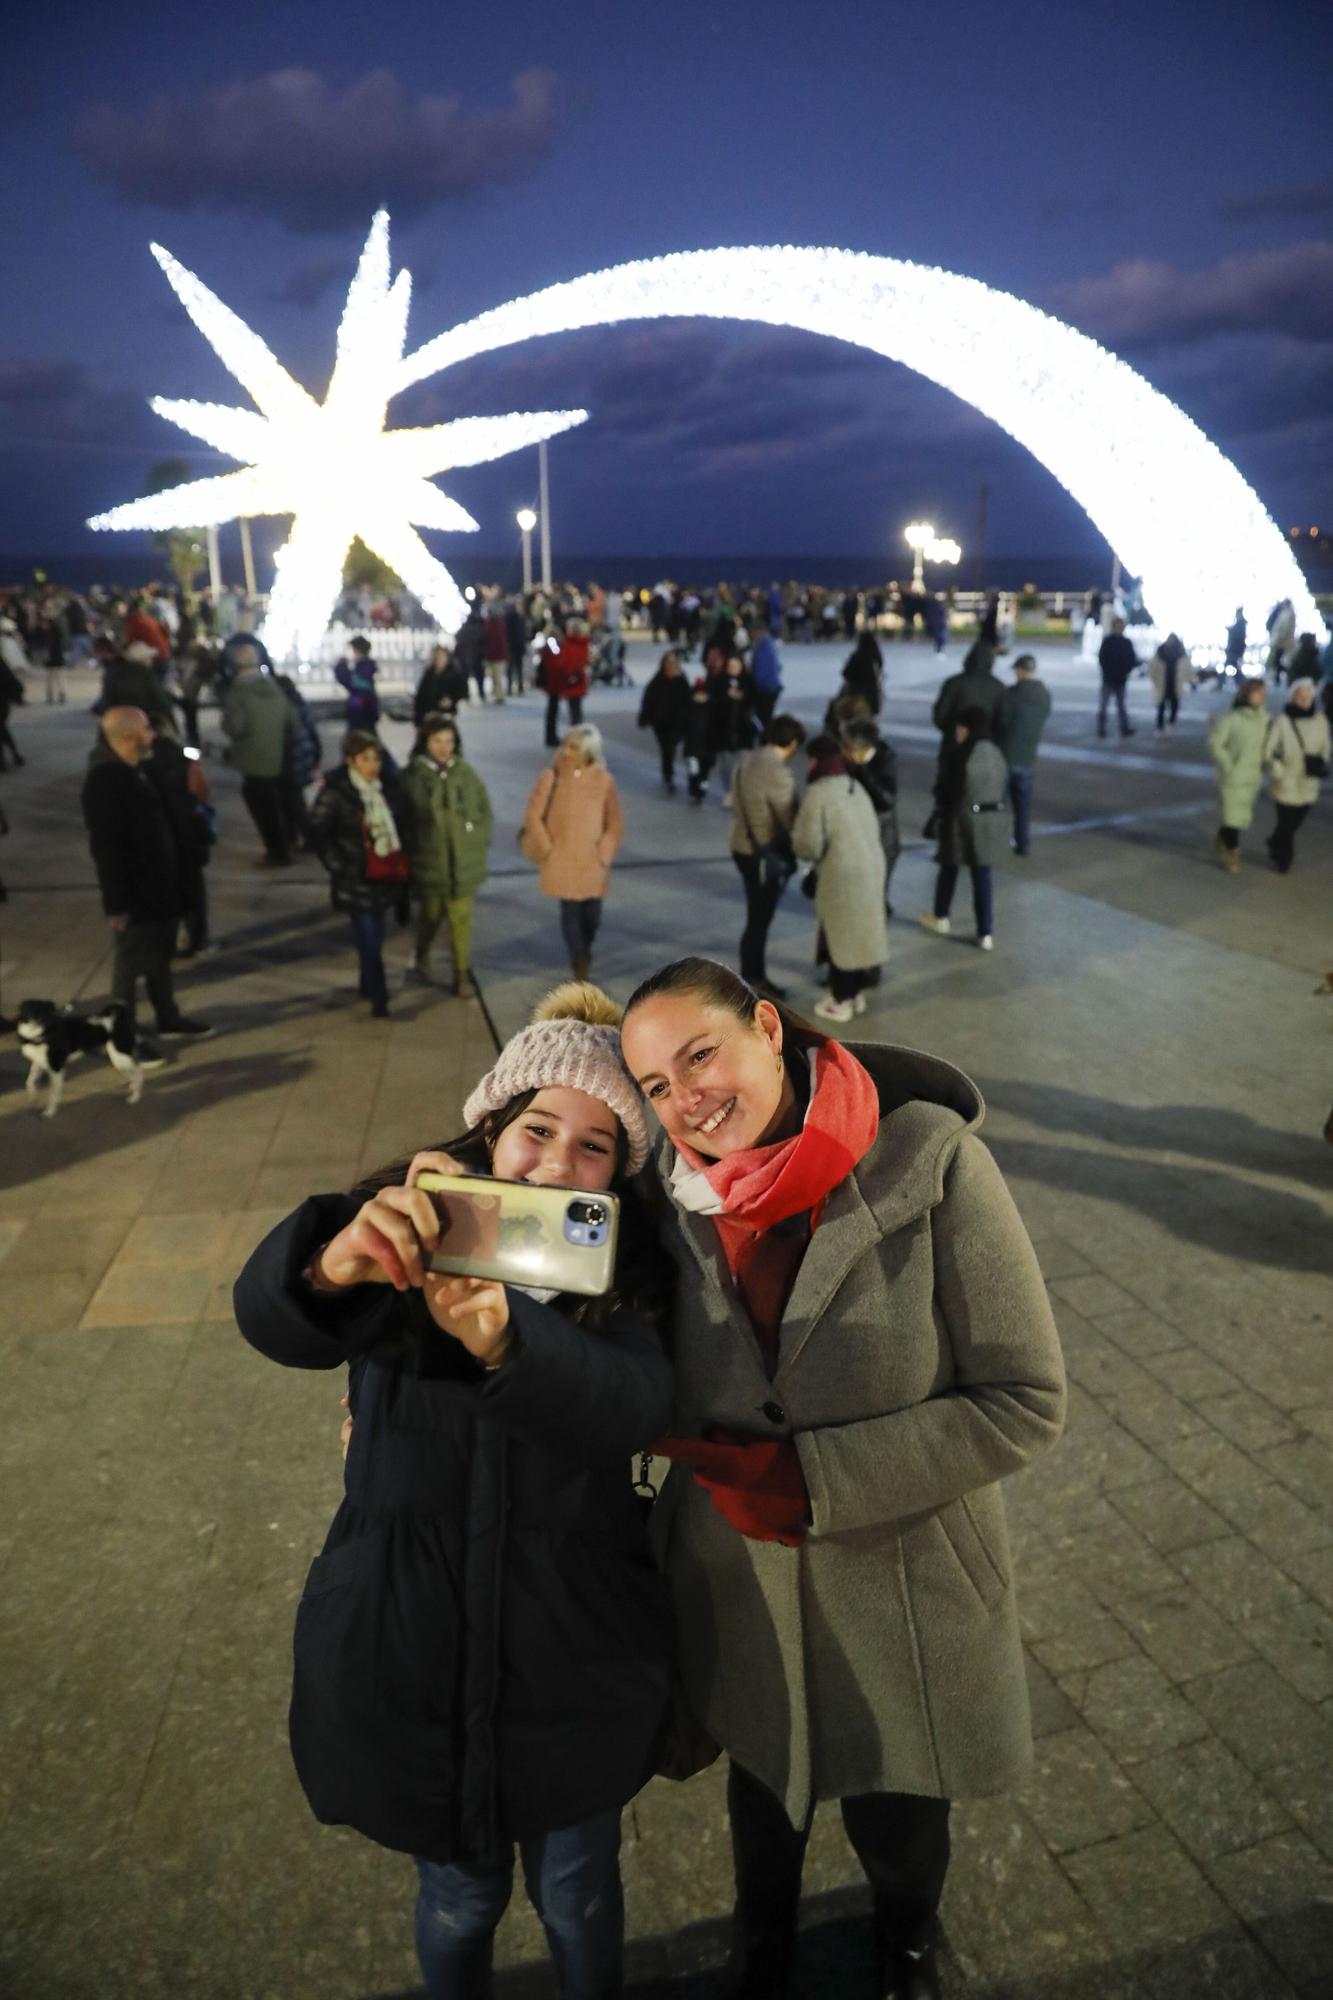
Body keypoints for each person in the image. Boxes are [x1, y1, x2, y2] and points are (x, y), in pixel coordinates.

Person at [618, 958, 1066, 2000]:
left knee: (901, 1812)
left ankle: (905, 1946)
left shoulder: (934, 1162)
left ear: (767, 1028)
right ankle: (759, 1947)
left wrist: (816, 1477)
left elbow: (1024, 1397)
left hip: (905, 1572)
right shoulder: (659, 1200)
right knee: (761, 1788)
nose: (685, 1097)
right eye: (653, 1084)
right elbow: (521, 1206)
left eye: (701, 1053)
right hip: (735, 1575)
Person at [233, 983, 674, 2000]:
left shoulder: (630, 1275)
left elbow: (633, 1404)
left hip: (574, 1653)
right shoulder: (413, 1221)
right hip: (411, 1639)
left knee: (578, 1892)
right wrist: (336, 1261)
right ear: (490, 1131)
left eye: (596, 1145)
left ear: (621, 1176)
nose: (558, 1161)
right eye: (536, 1129)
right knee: (457, 1898)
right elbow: (274, 1323)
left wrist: (510, 1338)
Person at [80, 707, 214, 1045]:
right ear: (128, 737)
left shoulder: (141, 769)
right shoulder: (105, 782)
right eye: (146, 730)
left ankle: (166, 1015)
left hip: (163, 887)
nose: (152, 735)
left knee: (159, 956)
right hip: (136, 894)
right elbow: (106, 850)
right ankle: (122, 1032)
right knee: (130, 963)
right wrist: (117, 904)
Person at [309, 731, 411, 1017]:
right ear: (351, 761)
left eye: (376, 758)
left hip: (384, 875)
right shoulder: (336, 792)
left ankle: (367, 983)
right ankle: (380, 997)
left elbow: (404, 826)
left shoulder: (387, 789)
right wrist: (338, 865)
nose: (373, 765)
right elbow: (317, 832)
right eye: (365, 758)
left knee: (373, 935)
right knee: (370, 937)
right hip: (355, 878)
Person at [793, 734, 888, 1021]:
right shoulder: (854, 785)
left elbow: (808, 844)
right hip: (872, 865)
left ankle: (841, 1000)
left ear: (815, 760)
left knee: (841, 935)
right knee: (860, 931)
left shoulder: (818, 791)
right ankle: (856, 992)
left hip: (841, 872)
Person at [521, 725, 623, 980]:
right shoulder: (551, 776)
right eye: (565, 745)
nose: (566, 751)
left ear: (589, 751)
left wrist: (604, 852)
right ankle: (579, 962)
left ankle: (585, 948)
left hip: (591, 861)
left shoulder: (604, 781)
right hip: (561, 859)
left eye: (574, 747)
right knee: (570, 914)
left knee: (592, 915)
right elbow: (533, 815)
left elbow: (615, 821)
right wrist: (546, 848)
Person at [402, 713, 493, 995]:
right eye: (437, 740)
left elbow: (484, 813)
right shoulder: (412, 778)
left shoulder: (466, 774)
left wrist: (475, 841)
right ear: (425, 742)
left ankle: (460, 975)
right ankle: (422, 952)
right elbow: (403, 823)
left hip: (463, 865)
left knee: (460, 920)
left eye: (449, 740)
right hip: (430, 866)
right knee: (430, 916)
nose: (444, 747)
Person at [730, 715, 806, 999]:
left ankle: (751, 973)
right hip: (764, 853)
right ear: (793, 743)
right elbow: (789, 818)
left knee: (755, 916)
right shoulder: (778, 771)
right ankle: (754, 977)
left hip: (741, 844)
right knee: (759, 919)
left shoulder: (748, 759)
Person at [920, 706, 1008, 950]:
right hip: (991, 820)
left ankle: (941, 917)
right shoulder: (996, 753)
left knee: (949, 866)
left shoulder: (960, 753)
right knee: (982, 875)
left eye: (960, 728)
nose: (957, 732)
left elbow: (947, 790)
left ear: (966, 728)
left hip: (962, 819)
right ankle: (985, 932)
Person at [223, 643, 298, 867]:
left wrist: (225, 722)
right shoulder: (273, 687)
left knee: (261, 805)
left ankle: (277, 852)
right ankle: (287, 843)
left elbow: (237, 726)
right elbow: (292, 722)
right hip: (277, 757)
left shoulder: (238, 692)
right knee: (276, 802)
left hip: (253, 760)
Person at [1264, 678, 1330, 874]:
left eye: (1306, 695)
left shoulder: (1320, 720)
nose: (1303, 699)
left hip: (1308, 780)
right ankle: (1284, 859)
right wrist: (1277, 768)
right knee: (1286, 822)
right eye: (1299, 695)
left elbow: (1326, 745)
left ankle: (1275, 842)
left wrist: (1321, 760)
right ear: (1293, 697)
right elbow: (1270, 749)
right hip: (1286, 779)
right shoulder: (1283, 721)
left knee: (1295, 821)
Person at [1208, 678, 1270, 874]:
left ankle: (1223, 836)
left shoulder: (1264, 719)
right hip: (1232, 777)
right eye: (1258, 692)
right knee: (1234, 816)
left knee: (1239, 817)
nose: (1262, 697)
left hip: (1252, 776)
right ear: (1246, 694)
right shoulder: (1232, 718)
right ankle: (1232, 852)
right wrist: (1229, 765)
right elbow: (1216, 743)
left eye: (1263, 693)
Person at [842, 716, 900, 917]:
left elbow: (887, 800)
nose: (843, 749)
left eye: (847, 744)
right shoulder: (845, 762)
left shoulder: (885, 760)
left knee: (875, 898)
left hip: (882, 840)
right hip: (856, 838)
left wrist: (862, 771)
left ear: (859, 748)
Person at [995, 653, 1051, 857]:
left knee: (996, 804)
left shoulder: (1011, 694)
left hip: (1005, 756)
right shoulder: (1044, 695)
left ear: (1020, 671)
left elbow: (1002, 720)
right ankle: (1022, 842)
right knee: (1023, 806)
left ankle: (991, 841)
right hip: (1028, 757)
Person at [275, 672, 323, 853]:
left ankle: (302, 838)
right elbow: (312, 730)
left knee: (291, 802)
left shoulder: (280, 706)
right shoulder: (300, 703)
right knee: (296, 800)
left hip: (291, 759)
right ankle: (297, 836)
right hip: (304, 756)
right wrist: (316, 755)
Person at [637, 649, 691, 793]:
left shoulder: (682, 681)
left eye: (674, 662)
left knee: (670, 748)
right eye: (668, 662)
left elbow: (688, 701)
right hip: (660, 723)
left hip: (678, 722)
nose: (671, 665)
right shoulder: (657, 681)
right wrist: (645, 717)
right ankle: (668, 776)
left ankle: (670, 775)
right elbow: (648, 700)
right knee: (666, 749)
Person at [709, 654, 758, 806]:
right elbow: (713, 703)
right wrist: (726, 696)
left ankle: (744, 792)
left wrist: (743, 697)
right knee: (726, 764)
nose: (733, 669)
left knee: (745, 763)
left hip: (744, 730)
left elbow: (757, 701)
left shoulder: (749, 682)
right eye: (730, 666)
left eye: (736, 666)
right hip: (723, 730)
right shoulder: (718, 682)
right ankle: (729, 791)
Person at [931, 638, 1000, 740]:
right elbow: (1002, 719)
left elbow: (940, 715)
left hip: (954, 741)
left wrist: (951, 731)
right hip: (984, 741)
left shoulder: (953, 682)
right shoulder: (998, 687)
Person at [541, 622, 591, 748]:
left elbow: (560, 662)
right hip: (572, 681)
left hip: (560, 681)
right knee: (576, 712)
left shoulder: (565, 645)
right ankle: (576, 739)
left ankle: (566, 738)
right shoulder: (582, 644)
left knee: (567, 712)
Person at [1096, 617, 1138, 738]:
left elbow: (1132, 659)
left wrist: (1126, 670)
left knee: (1121, 706)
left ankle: (1123, 728)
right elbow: (1102, 658)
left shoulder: (1126, 642)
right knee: (1104, 705)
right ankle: (1101, 728)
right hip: (1109, 678)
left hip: (1120, 679)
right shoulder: (1108, 641)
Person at [1146, 633, 1192, 731]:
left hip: (1174, 682)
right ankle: (1160, 725)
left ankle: (1171, 722)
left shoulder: (1180, 653)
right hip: (1163, 682)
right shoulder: (1161, 651)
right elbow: (1153, 667)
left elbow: (1186, 668)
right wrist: (1154, 678)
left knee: (1174, 704)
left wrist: (1190, 679)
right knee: (1161, 705)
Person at [414, 644, 467, 726]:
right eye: (436, 657)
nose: (438, 659)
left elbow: (461, 693)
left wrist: (452, 700)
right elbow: (420, 697)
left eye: (441, 656)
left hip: (447, 713)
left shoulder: (454, 674)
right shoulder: (429, 675)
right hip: (429, 713)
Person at [335, 636, 380, 729]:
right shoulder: (364, 667)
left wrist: (341, 665)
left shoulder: (363, 668)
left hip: (360, 712)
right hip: (364, 712)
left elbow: (349, 681)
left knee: (359, 739)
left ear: (357, 651)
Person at [683, 675, 716, 804]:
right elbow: (682, 723)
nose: (700, 697)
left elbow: (716, 726)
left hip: (707, 745)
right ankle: (694, 791)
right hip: (692, 745)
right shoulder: (688, 705)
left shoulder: (712, 705)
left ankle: (701, 789)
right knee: (693, 771)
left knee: (704, 770)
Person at [840, 631, 884, 715]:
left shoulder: (857, 656)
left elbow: (846, 673)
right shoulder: (876, 655)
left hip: (856, 695)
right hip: (872, 696)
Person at [749, 627, 783, 731]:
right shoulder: (770, 644)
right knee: (767, 715)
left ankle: (765, 737)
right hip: (773, 686)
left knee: (763, 716)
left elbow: (760, 668)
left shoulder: (761, 646)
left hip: (765, 688)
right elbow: (778, 666)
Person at [0, 653, 25, 770]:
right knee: (2, 729)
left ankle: (4, 762)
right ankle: (15, 755)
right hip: (3, 702)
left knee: (2, 729)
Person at [482, 602, 510, 702]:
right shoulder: (500, 623)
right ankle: (497, 694)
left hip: (495, 655)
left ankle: (499, 695)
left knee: (497, 677)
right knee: (495, 676)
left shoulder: (492, 624)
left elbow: (489, 639)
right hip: (498, 654)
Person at [1265, 599, 1296, 680]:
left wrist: (1279, 639)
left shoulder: (1288, 614)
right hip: (1282, 641)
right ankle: (1278, 678)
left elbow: (1284, 629)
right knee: (1277, 660)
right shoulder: (1287, 613)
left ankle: (1288, 673)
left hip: (1282, 642)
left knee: (1277, 661)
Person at [1224, 607, 1248, 676]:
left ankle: (1220, 684)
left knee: (1231, 666)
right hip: (1235, 650)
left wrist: (1230, 630)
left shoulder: (1241, 624)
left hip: (1235, 650)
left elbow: (1237, 637)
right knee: (1234, 667)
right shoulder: (1241, 624)